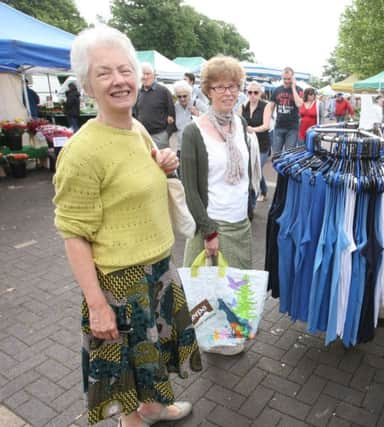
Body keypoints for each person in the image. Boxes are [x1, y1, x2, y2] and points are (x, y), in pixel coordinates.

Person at [52, 25, 201, 427]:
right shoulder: (82, 151)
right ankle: (132, 421)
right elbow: (73, 234)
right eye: (104, 73)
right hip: (120, 281)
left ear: (138, 75)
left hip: (157, 267)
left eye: (125, 69)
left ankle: (153, 408)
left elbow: (136, 177)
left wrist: (163, 163)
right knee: (127, 368)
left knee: (152, 357)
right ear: (87, 84)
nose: (118, 80)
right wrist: (98, 306)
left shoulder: (135, 129)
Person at [181, 55, 253, 274]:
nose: (229, 93)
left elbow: (246, 174)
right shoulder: (193, 132)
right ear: (208, 91)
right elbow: (190, 189)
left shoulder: (240, 123)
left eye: (233, 86)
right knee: (206, 301)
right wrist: (209, 232)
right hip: (212, 227)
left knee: (238, 298)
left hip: (241, 225)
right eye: (220, 87)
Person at [133, 62, 175, 149]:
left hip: (160, 136)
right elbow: (135, 113)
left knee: (161, 161)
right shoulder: (138, 93)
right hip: (143, 135)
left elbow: (172, 114)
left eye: (148, 74)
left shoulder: (163, 91)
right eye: (143, 74)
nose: (145, 77)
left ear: (154, 75)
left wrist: (166, 134)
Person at [242, 81, 271, 202]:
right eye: (250, 92)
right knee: (254, 169)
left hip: (262, 144)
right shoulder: (244, 105)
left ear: (260, 93)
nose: (252, 95)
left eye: (255, 92)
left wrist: (251, 129)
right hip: (248, 143)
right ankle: (264, 190)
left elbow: (266, 126)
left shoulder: (266, 106)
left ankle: (252, 203)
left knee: (255, 169)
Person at [268, 67, 303, 155]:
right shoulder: (277, 90)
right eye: (284, 79)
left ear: (293, 78)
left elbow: (299, 104)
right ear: (281, 77)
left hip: (292, 128)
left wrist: (293, 87)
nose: (286, 81)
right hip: (279, 126)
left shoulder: (299, 90)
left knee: (289, 155)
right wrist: (268, 122)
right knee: (276, 155)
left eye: (289, 79)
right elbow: (270, 107)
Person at [173, 79, 199, 156]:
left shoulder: (196, 103)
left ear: (189, 94)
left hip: (196, 147)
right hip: (181, 148)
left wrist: (198, 114)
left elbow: (211, 116)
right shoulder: (175, 107)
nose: (182, 99)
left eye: (185, 96)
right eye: (179, 96)